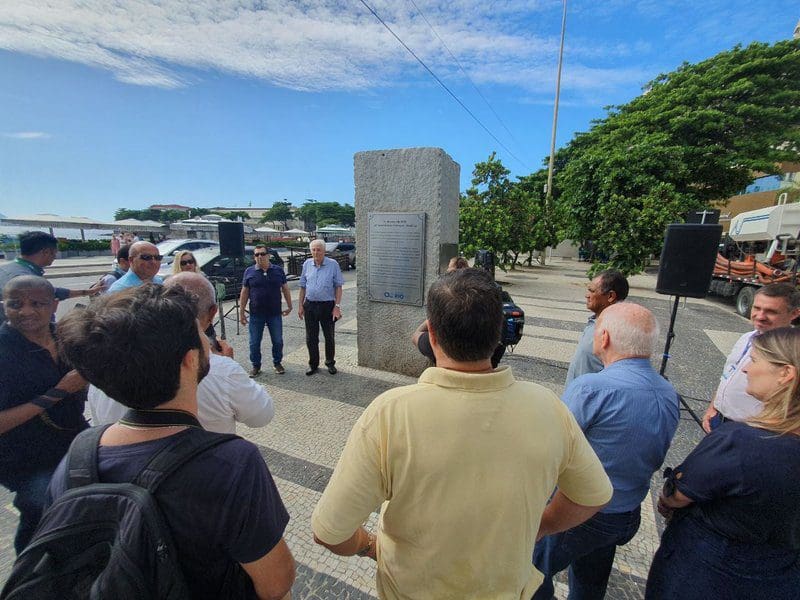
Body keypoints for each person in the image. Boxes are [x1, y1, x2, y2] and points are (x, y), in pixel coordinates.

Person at [311, 268, 613, 599]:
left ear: (433, 337)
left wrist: (369, 546)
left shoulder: (390, 414)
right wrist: (541, 526)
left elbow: (329, 530)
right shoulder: (548, 407)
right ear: (499, 335)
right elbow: (594, 495)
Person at [50, 283, 295, 599]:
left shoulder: (78, 455)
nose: (211, 343)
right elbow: (277, 582)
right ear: (189, 361)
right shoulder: (233, 463)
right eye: (201, 337)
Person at [533, 302, 679, 600]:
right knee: (590, 582)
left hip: (580, 513)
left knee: (531, 573)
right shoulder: (667, 392)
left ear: (605, 338)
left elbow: (550, 450)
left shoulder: (592, 389)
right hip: (625, 513)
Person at [647, 326, 800, 599]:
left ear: (785, 374)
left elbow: (677, 494)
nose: (745, 370)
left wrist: (667, 497)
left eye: (754, 361)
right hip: (781, 575)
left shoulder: (741, 442)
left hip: (710, 571)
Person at [89, 273, 273, 434]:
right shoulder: (220, 369)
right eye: (200, 334)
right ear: (190, 360)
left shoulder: (107, 365)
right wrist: (225, 367)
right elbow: (261, 415)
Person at [0, 276, 89, 554]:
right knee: (41, 514)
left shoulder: (67, 338)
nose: (26, 311)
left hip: (74, 444)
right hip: (27, 458)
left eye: (36, 303)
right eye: (15, 304)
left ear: (54, 305)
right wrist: (58, 393)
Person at [702, 282, 800, 432]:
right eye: (756, 308)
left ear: (794, 313)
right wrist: (714, 407)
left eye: (771, 311)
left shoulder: (793, 352)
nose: (760, 316)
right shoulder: (746, 337)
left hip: (753, 430)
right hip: (719, 419)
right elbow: (728, 374)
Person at [412, 256, 506, 368]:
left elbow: (416, 336)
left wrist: (432, 320)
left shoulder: (432, 342)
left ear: (432, 333)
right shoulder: (493, 341)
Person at [0, 231, 101, 315]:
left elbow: (52, 292)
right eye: (55, 253)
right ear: (46, 252)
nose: (55, 257)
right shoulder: (24, 280)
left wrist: (87, 292)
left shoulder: (8, 269)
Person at [565, 270, 628, 385]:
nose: (587, 295)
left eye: (592, 291)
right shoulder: (596, 320)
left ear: (610, 296)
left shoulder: (616, 330)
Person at [240, 245, 292, 377]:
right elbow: (244, 292)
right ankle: (256, 366)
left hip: (274, 313)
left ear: (268, 255)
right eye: (256, 255)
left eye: (262, 254)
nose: (259, 257)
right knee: (254, 342)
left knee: (278, 340)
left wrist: (290, 305)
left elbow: (285, 288)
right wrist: (241, 312)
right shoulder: (249, 271)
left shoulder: (278, 271)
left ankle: (277, 363)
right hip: (256, 314)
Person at [298, 239, 343, 376]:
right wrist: (300, 306)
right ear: (310, 251)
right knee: (311, 337)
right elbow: (302, 286)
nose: (316, 252)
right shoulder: (307, 264)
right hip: (310, 305)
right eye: (313, 250)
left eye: (319, 250)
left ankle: (330, 362)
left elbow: (338, 286)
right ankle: (313, 364)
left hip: (327, 305)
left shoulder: (333, 264)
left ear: (324, 251)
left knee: (329, 336)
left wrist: (337, 307)